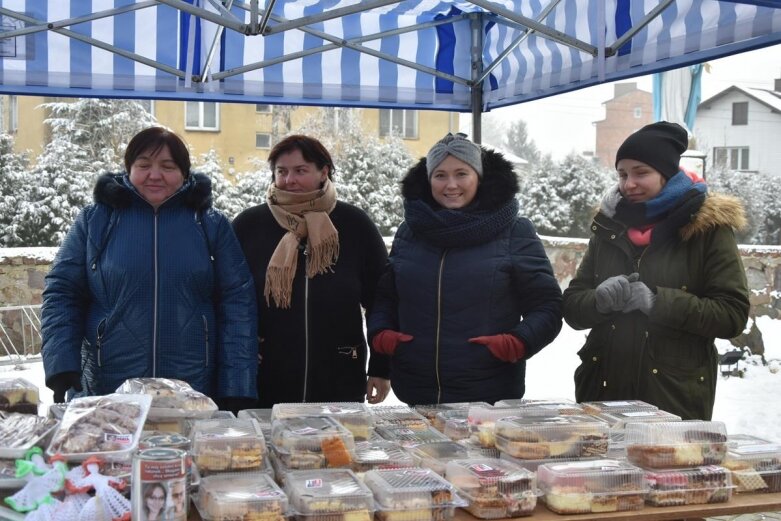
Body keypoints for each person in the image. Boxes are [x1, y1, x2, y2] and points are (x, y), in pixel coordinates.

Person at [41, 126, 258, 412]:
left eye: (168, 166)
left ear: (184, 173)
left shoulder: (211, 224)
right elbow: (61, 293)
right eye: (143, 165)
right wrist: (61, 364)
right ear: (129, 169)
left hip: (192, 387)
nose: (155, 175)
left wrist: (237, 384)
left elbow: (238, 302)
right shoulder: (95, 222)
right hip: (109, 385)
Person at [562, 121, 750, 420]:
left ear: (667, 174)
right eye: (622, 174)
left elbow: (732, 315)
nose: (628, 184)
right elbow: (572, 308)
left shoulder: (708, 229)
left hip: (673, 402)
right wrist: (598, 300)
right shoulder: (608, 227)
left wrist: (658, 302)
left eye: (641, 172)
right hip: (603, 397)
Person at [367, 132, 563, 405]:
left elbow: (547, 306)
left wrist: (517, 343)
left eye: (461, 173)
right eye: (440, 175)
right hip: (416, 390)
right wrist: (381, 335)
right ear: (428, 180)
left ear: (479, 177)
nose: (451, 185)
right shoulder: (410, 231)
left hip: (488, 394)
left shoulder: (514, 231)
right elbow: (387, 298)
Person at [232, 134, 390, 406]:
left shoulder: (355, 225)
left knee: (334, 448)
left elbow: (382, 300)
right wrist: (240, 342)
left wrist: (381, 367)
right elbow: (228, 296)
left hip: (338, 376)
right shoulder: (249, 225)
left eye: (300, 170)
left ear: (323, 171)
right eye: (281, 171)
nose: (289, 180)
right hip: (265, 377)